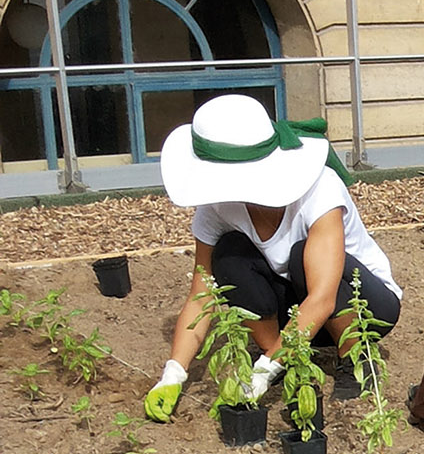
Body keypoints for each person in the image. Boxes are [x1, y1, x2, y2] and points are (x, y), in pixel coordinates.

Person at [144, 94, 402, 421]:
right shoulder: (217, 207)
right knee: (228, 256)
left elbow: (322, 297)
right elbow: (202, 294)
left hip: (361, 305)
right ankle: (282, 357)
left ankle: (353, 360)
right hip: (296, 308)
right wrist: (173, 374)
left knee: (300, 258)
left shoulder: (319, 189)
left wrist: (261, 372)